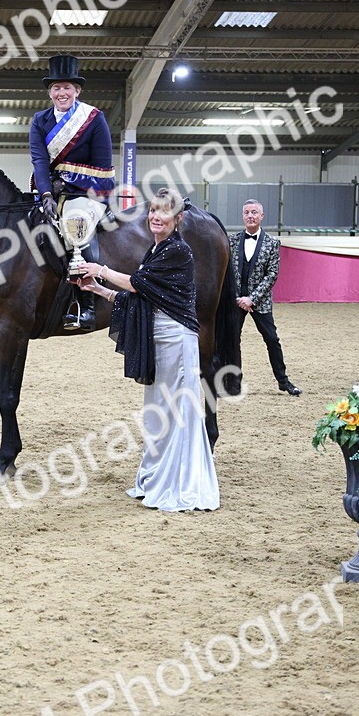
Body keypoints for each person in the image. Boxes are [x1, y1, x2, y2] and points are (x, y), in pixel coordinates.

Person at [74, 190, 219, 512]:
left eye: (163, 213)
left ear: (177, 219)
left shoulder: (178, 250)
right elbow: (142, 298)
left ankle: (178, 484)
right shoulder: (157, 249)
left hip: (176, 342)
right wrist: (97, 290)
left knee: (176, 415)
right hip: (161, 340)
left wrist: (101, 271)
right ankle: (156, 478)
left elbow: (137, 284)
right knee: (158, 416)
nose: (155, 216)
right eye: (153, 210)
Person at [29, 54, 116, 330]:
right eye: (56, 88)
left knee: (75, 226)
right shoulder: (39, 121)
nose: (61, 92)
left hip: (87, 193)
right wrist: (45, 194)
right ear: (50, 92)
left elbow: (102, 169)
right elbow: (40, 161)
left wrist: (67, 182)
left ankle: (86, 304)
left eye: (67, 87)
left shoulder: (93, 118)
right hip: (50, 192)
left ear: (77, 90)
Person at [230, 200, 301, 396]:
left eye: (254, 212)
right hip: (235, 302)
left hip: (259, 303)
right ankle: (234, 383)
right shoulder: (232, 240)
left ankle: (283, 381)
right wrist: (237, 298)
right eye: (246, 212)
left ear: (262, 216)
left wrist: (251, 299)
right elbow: (226, 272)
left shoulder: (271, 243)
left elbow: (272, 275)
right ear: (243, 216)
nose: (250, 216)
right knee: (231, 341)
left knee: (272, 340)